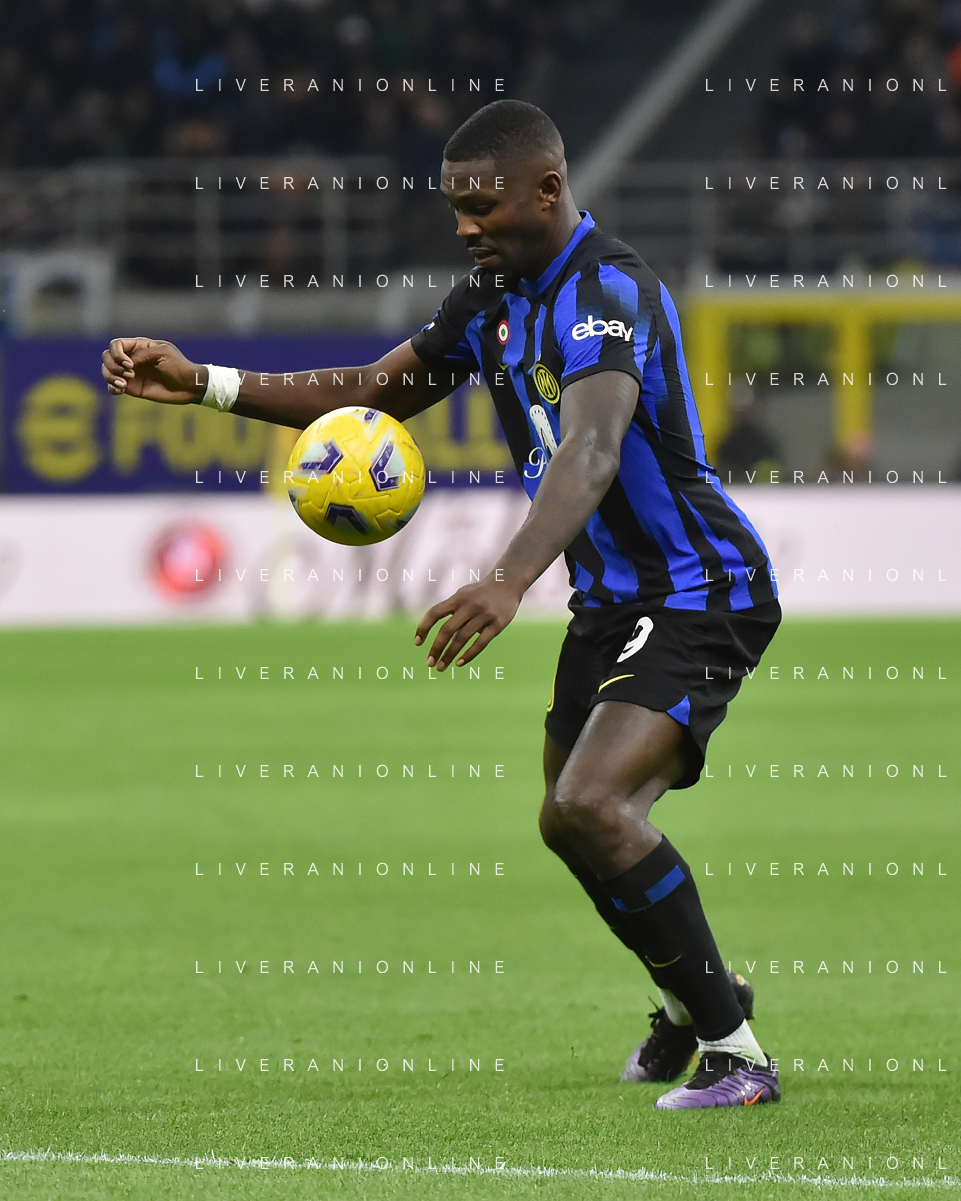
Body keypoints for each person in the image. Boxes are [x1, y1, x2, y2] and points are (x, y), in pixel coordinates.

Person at [101, 99, 782, 1109]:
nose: (465, 226)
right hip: (611, 599)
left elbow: (592, 448)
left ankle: (738, 1056)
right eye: (455, 207)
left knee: (593, 804)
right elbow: (372, 393)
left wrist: (505, 578)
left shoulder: (608, 291)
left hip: (698, 587)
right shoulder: (491, 297)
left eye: (482, 205)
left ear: (546, 190)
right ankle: (697, 998)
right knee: (568, 821)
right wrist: (204, 382)